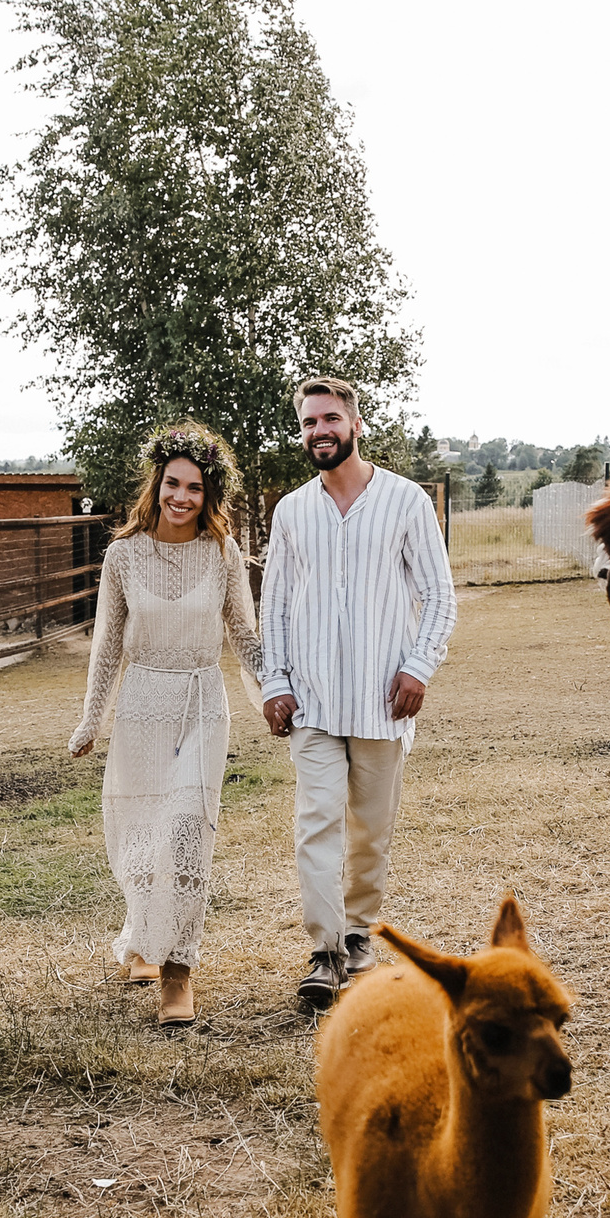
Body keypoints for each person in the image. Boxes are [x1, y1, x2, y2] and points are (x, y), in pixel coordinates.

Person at [258, 376, 457, 1009]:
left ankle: (358, 933)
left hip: (381, 700)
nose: (320, 431)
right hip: (312, 701)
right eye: (309, 422)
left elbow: (439, 596)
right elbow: (275, 605)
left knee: (370, 831)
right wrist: (275, 682)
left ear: (355, 424)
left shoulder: (405, 501)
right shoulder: (291, 511)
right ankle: (324, 953)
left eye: (330, 419)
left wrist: (419, 668)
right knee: (316, 824)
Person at [69, 421, 264, 1027]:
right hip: (142, 705)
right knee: (144, 834)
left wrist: (277, 691)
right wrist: (90, 720)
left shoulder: (222, 552)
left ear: (209, 495)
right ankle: (142, 938)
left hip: (202, 702)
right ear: (156, 485)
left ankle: (178, 971)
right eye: (173, 484)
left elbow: (243, 633)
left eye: (195, 488)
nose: (182, 497)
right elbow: (107, 646)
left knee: (187, 831)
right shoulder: (123, 556)